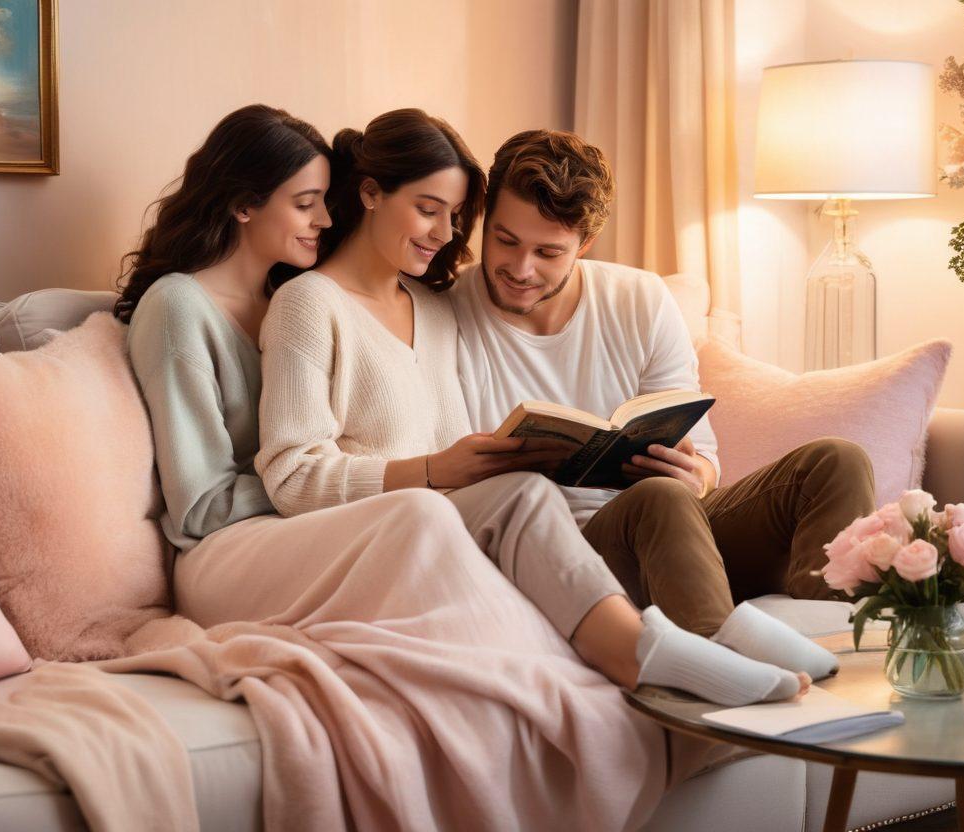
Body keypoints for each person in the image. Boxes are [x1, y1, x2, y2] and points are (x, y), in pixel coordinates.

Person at [115, 105, 687, 829]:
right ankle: (612, 670)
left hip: (345, 525)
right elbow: (204, 504)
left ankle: (629, 658)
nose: (323, 218)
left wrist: (455, 471)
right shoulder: (186, 307)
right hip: (233, 545)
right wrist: (399, 479)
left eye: (326, 198)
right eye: (306, 202)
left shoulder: (312, 297)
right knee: (423, 514)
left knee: (514, 494)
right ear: (242, 202)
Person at [257, 108, 828, 708]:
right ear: (370, 192)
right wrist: (437, 471)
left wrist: (697, 470)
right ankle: (665, 651)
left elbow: (455, 453)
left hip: (456, 520)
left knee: (821, 464)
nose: (445, 234)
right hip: (392, 529)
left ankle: (789, 643)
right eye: (431, 210)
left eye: (454, 217)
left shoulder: (430, 309)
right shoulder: (310, 303)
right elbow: (293, 475)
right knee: (531, 494)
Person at [449, 127, 877, 648]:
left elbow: (706, 458)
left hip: (674, 534)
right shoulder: (447, 310)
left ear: (584, 243)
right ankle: (719, 688)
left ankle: (836, 657)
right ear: (484, 220)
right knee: (659, 499)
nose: (520, 269)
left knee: (837, 462)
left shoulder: (639, 298)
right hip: (563, 552)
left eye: (548, 252)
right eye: (505, 240)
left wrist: (695, 474)